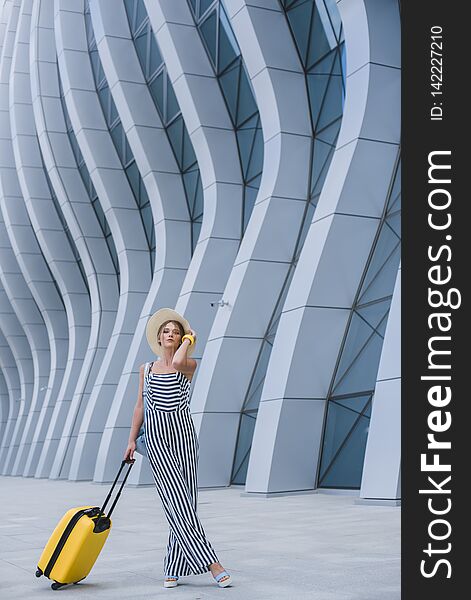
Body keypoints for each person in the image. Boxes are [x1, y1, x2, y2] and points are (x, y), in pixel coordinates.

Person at [124, 308, 232, 589]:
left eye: (175, 331)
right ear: (159, 338)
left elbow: (180, 359)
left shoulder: (188, 364)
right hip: (158, 439)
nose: (170, 334)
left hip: (184, 437)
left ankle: (172, 565)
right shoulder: (145, 369)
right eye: (166, 332)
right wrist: (131, 439)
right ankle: (212, 563)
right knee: (175, 500)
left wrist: (188, 340)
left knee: (186, 502)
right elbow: (140, 406)